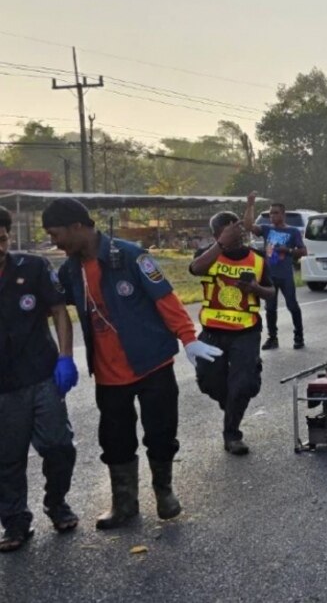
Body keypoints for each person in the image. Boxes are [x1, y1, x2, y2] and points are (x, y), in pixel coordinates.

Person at [42, 198, 222, 530]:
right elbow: (50, 306)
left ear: (77, 227)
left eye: (57, 234)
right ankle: (124, 503)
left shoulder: (127, 255)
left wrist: (188, 338)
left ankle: (164, 492)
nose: (55, 243)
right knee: (115, 440)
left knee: (161, 433)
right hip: (109, 375)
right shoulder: (70, 270)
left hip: (152, 363)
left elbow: (165, 298)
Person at [0, 207, 78, 552]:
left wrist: (65, 357)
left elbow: (59, 310)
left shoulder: (32, 267)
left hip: (42, 374)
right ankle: (15, 522)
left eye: (1, 238)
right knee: (8, 458)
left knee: (58, 446)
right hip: (3, 388)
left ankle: (57, 503)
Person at [189, 211, 276, 456]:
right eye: (228, 230)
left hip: (246, 331)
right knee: (209, 382)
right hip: (212, 332)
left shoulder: (257, 258)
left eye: (237, 229)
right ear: (217, 234)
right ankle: (231, 405)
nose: (236, 234)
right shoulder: (207, 255)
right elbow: (195, 269)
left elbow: (271, 292)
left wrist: (255, 288)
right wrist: (220, 245)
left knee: (242, 384)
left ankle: (232, 435)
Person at [243, 193, 307, 350]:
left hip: (285, 276)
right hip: (269, 276)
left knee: (292, 305)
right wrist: (250, 205)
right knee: (270, 309)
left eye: (276, 213)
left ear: (283, 215)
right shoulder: (266, 229)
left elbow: (303, 251)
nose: (272, 216)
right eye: (271, 213)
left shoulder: (293, 231)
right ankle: (272, 338)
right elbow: (248, 226)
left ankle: (299, 336)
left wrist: (288, 250)